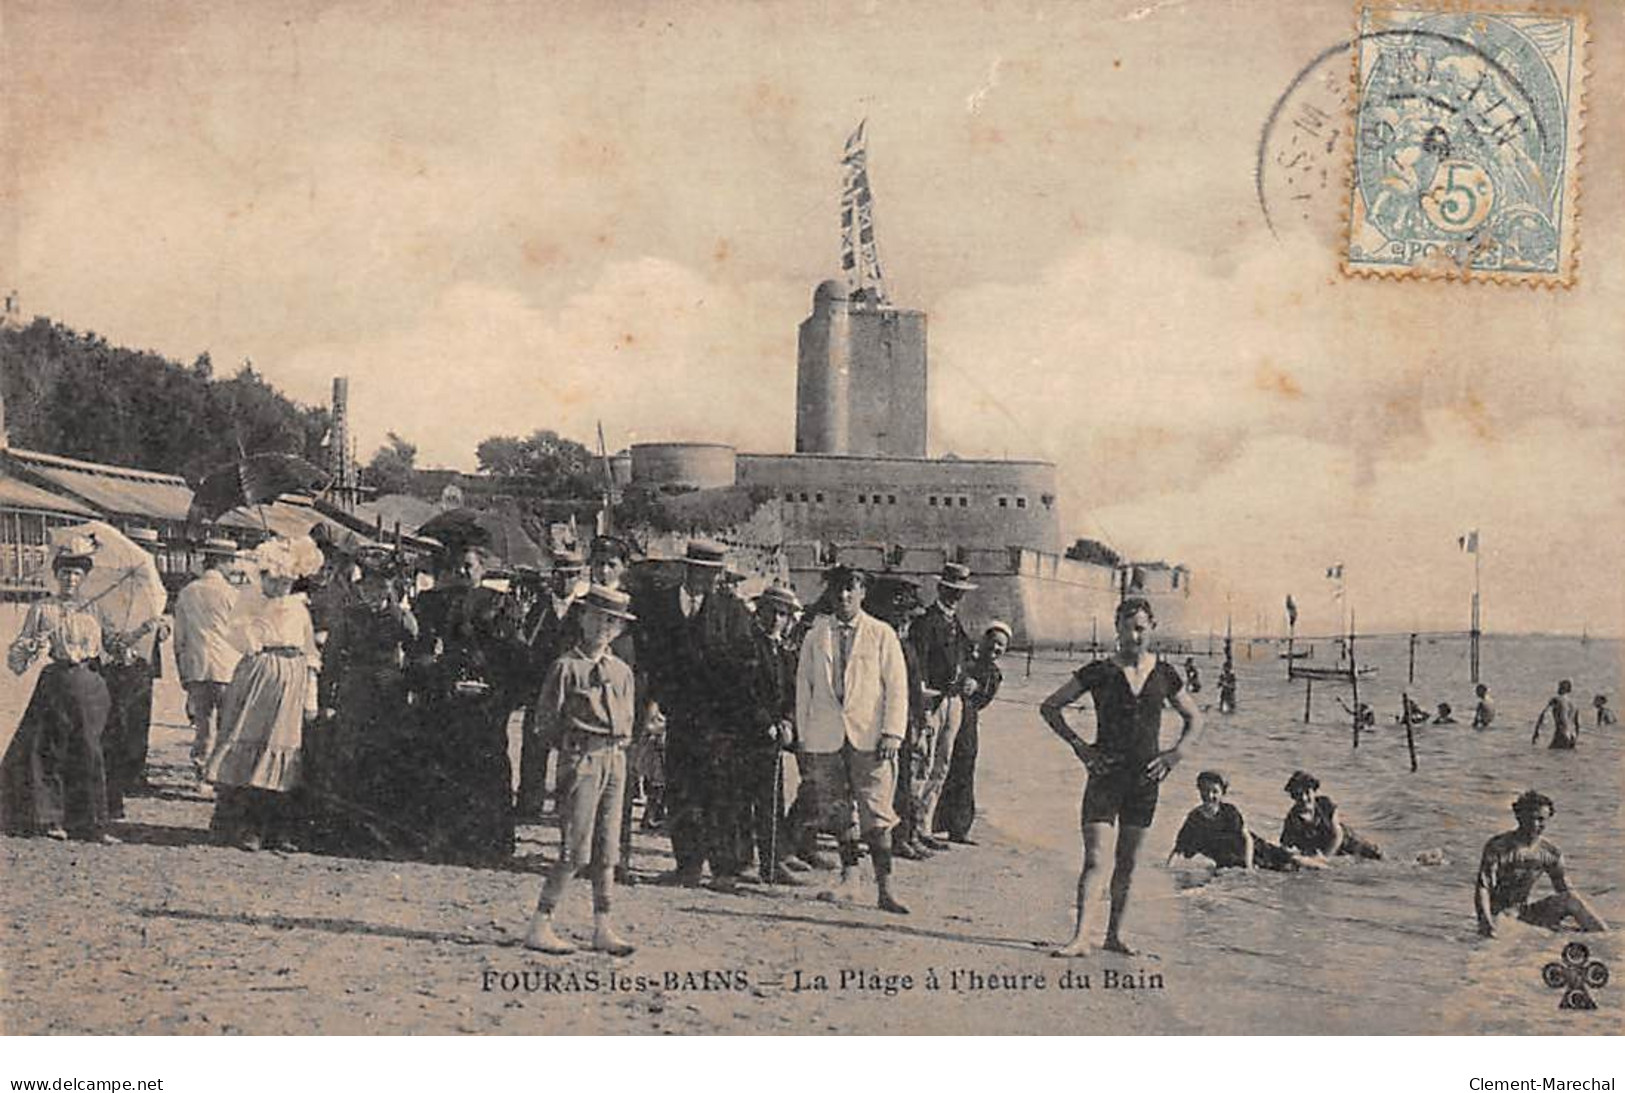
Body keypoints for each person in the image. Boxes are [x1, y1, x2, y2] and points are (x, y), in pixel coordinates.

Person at [1041, 596, 1203, 956]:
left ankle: (1113, 935)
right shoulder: (1098, 671)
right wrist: (1080, 747)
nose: (1135, 635)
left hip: (1145, 780)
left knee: (1127, 863)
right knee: (1096, 859)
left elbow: (1195, 719)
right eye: (1128, 628)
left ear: (1152, 628)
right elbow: (1050, 707)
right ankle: (1081, 937)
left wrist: (1175, 755)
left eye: (1142, 628)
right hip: (1105, 776)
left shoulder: (1165, 674)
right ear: (1117, 628)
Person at [523, 586, 640, 956]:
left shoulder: (622, 672)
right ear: (582, 618)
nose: (604, 626)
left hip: (614, 759)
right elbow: (545, 721)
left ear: (620, 628)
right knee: (575, 848)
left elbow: (629, 719)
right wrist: (573, 751)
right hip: (582, 759)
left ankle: (602, 926)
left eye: (613, 621)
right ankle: (541, 922)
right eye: (597, 617)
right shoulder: (565, 668)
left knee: (608, 850)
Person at [634, 539, 755, 888]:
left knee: (719, 790)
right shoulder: (662, 606)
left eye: (714, 574)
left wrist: (729, 701)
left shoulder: (733, 612)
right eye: (702, 572)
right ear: (689, 569)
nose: (708, 579)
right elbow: (652, 657)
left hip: (719, 718)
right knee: (681, 787)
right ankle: (686, 864)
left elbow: (746, 663)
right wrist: (656, 702)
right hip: (679, 713)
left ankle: (723, 869)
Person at [794, 565, 912, 914]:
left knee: (876, 811)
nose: (843, 596)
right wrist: (805, 737)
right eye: (838, 590)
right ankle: (850, 879)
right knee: (836, 809)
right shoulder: (817, 635)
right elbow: (804, 688)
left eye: (851, 589)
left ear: (862, 592)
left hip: (871, 737)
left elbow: (897, 686)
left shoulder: (881, 633)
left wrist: (893, 731)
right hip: (826, 736)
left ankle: (886, 888)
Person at [404, 541, 529, 864]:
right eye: (458, 566)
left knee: (487, 766)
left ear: (483, 569)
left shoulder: (500, 603)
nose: (462, 572)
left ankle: (489, 842)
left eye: (469, 566)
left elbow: (513, 654)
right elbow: (421, 647)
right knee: (444, 765)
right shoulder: (433, 602)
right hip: (446, 696)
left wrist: (497, 687)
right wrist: (433, 669)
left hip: (486, 699)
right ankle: (443, 839)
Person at [203, 537, 323, 852]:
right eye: (274, 580)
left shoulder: (299, 609)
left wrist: (311, 697)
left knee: (283, 752)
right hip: (259, 677)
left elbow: (309, 652)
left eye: (287, 581)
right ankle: (246, 826)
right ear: (264, 576)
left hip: (292, 677)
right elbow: (236, 635)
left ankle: (278, 828)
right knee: (249, 746)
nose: (280, 587)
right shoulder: (251, 601)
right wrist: (256, 628)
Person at [0, 539, 115, 843]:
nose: (71, 579)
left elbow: (112, 647)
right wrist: (32, 646)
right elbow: (17, 659)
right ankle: (51, 819)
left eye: (77, 574)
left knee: (90, 751)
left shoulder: (96, 609)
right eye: (65, 573)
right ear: (57, 575)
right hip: (57, 684)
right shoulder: (43, 609)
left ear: (84, 578)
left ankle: (91, 822)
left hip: (90, 685)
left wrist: (146, 632)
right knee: (51, 748)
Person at [100, 526, 171, 815]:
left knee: (140, 719)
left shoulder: (152, 585)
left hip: (144, 662)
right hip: (118, 662)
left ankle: (135, 772)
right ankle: (117, 779)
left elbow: (158, 617)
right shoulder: (116, 583)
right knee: (118, 722)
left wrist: (161, 627)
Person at [737, 583, 803, 885]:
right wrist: (766, 722)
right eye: (771, 612)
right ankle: (742, 861)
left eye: (782, 614)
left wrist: (788, 722)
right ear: (760, 613)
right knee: (744, 798)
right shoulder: (750, 646)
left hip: (776, 735)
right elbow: (746, 691)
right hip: (749, 733)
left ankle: (772, 861)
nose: (776, 619)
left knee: (771, 798)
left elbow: (792, 693)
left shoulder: (785, 652)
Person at [1474, 790, 1608, 937]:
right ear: (1518, 816)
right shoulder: (1499, 847)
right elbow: (1483, 888)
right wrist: (1486, 922)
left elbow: (1564, 890)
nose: (1535, 824)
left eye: (1541, 819)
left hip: (1526, 913)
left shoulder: (1550, 852)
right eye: (1530, 819)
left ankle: (1606, 937)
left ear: (1548, 819)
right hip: (1500, 915)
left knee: (1571, 899)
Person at [516, 549, 587, 820]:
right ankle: (529, 803)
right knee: (534, 746)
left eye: (571, 576)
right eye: (559, 575)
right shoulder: (540, 608)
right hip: (540, 688)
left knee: (570, 750)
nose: (564, 582)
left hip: (572, 691)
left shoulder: (584, 611)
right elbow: (526, 647)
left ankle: (564, 805)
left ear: (578, 578)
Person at [910, 562, 976, 850]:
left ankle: (923, 825)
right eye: (951, 590)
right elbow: (919, 664)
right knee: (922, 763)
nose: (955, 596)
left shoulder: (955, 624)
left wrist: (969, 679)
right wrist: (922, 705)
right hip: (932, 701)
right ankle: (910, 828)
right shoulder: (926, 622)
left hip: (953, 701)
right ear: (940, 589)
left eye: (960, 592)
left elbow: (965, 658)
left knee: (942, 764)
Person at [933, 620, 1010, 845]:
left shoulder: (994, 673)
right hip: (945, 713)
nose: (995, 650)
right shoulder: (965, 657)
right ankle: (931, 824)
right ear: (984, 640)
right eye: (994, 643)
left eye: (1001, 647)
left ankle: (959, 827)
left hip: (968, 722)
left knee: (964, 770)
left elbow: (984, 700)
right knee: (938, 766)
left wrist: (976, 689)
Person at [172, 539, 241, 775]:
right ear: (222, 562)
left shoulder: (187, 593)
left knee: (203, 725)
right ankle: (220, 772)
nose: (233, 567)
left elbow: (179, 637)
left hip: (196, 666)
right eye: (231, 562)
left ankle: (201, 770)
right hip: (228, 667)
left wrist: (183, 672)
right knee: (227, 724)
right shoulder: (232, 594)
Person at [1168, 771, 1322, 872]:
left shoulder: (1229, 811)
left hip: (1254, 849)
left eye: (1214, 791)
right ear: (1199, 790)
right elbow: (1179, 848)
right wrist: (1168, 869)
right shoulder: (1194, 818)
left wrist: (1249, 867)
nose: (1209, 795)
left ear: (1222, 793)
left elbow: (1246, 838)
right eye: (1205, 790)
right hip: (1231, 859)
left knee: (1292, 862)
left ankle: (1326, 869)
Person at [1279, 770, 1382, 860]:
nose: (1304, 798)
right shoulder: (1292, 819)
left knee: (1378, 856)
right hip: (1327, 850)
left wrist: (1325, 859)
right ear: (1293, 796)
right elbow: (1285, 845)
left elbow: (1337, 835)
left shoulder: (1325, 804)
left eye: (1307, 792)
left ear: (1314, 791)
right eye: (1298, 794)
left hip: (1347, 842)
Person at [1532, 680, 1581, 749]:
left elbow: (1543, 715)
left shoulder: (1556, 700)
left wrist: (1536, 732)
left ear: (1560, 688)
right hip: (1572, 735)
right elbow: (1577, 724)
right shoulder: (1574, 704)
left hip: (1561, 733)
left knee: (1552, 756)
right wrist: (1575, 737)